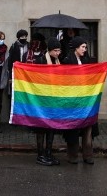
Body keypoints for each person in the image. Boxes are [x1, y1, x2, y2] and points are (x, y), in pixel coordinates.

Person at [62, 36, 98, 164]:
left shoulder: (87, 60)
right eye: (82, 47)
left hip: (86, 99)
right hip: (73, 100)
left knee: (88, 128)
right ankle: (72, 155)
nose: (85, 49)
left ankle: (88, 155)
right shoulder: (67, 60)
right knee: (73, 128)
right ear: (76, 48)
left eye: (85, 47)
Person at [30, 36, 59, 165]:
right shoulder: (40, 60)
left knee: (51, 127)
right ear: (50, 50)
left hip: (53, 99)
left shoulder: (58, 61)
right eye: (56, 50)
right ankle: (40, 154)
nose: (58, 53)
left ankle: (48, 152)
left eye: (59, 50)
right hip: (41, 100)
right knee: (41, 128)